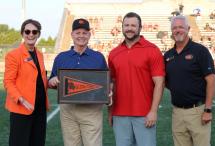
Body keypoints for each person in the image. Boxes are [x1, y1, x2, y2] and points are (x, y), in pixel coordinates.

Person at [108, 12, 165, 146]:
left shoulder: (152, 50)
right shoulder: (114, 53)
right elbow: (112, 85)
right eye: (126, 25)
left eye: (133, 25)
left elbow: (159, 82)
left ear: (140, 28)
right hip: (120, 114)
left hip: (144, 114)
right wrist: (110, 112)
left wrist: (153, 111)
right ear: (122, 27)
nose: (129, 28)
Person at [48, 18, 107, 146]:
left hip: (91, 110)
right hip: (68, 110)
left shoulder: (98, 57)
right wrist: (51, 81)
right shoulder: (61, 57)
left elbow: (106, 82)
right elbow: (51, 81)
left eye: (85, 33)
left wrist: (108, 91)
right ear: (72, 34)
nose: (81, 36)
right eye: (78, 32)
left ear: (89, 35)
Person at [164, 15, 215, 146]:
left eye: (181, 27)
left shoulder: (200, 51)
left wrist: (208, 110)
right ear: (171, 30)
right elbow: (167, 82)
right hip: (177, 112)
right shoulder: (168, 55)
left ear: (188, 28)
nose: (178, 30)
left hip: (198, 111)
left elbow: (211, 80)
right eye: (174, 28)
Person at [3, 19, 49, 146]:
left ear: (38, 34)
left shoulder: (39, 54)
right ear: (22, 33)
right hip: (22, 108)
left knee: (38, 142)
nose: (31, 34)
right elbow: (8, 82)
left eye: (34, 31)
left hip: (39, 109)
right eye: (27, 31)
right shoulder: (14, 55)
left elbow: (40, 78)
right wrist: (22, 99)